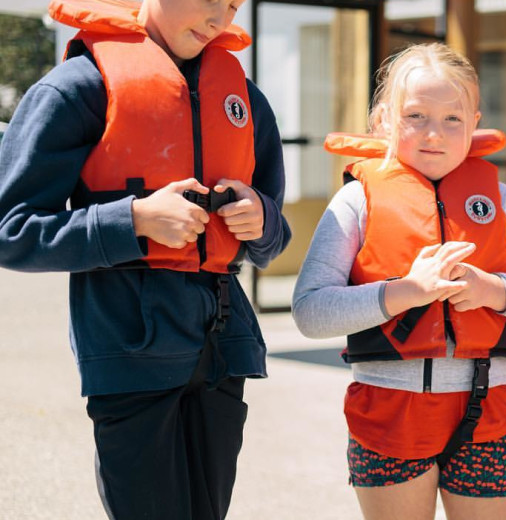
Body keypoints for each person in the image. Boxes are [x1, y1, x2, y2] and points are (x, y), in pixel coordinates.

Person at [0, 0, 290, 518]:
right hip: (128, 351)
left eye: (231, 4)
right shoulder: (76, 86)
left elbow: (274, 234)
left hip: (225, 350)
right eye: (208, 0)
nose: (219, 20)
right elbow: (13, 230)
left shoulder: (246, 99)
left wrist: (262, 220)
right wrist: (132, 220)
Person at [292, 43, 506, 520]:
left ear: (474, 122)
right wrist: (407, 291)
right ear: (384, 120)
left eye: (452, 119)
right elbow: (310, 311)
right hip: (388, 414)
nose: (435, 134)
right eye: (416, 116)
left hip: (486, 412)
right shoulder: (356, 201)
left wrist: (494, 291)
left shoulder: (503, 201)